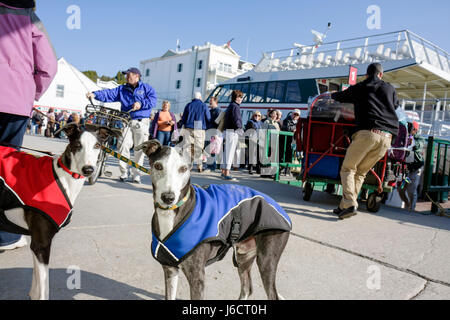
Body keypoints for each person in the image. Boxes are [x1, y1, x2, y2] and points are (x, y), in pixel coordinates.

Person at [0, 0, 58, 251]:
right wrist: (31, 90)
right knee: (7, 172)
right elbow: (48, 65)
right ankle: (5, 236)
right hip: (14, 103)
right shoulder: (31, 19)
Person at [331, 63, 399, 220]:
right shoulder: (390, 88)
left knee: (348, 168)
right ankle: (344, 206)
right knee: (360, 172)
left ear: (367, 75)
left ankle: (349, 203)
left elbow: (341, 97)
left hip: (368, 133)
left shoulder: (361, 86)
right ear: (381, 74)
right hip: (387, 138)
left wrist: (333, 94)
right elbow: (395, 105)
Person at [87, 67, 157, 184]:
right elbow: (109, 94)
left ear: (136, 76)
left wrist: (141, 104)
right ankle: (124, 172)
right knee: (122, 145)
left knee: (140, 149)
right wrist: (94, 94)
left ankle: (136, 174)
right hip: (126, 120)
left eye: (128, 75)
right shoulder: (122, 89)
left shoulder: (147, 88)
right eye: (126, 75)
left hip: (141, 121)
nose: (126, 77)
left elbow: (153, 101)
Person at [180, 92, 211, 172]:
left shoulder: (188, 105)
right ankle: (199, 166)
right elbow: (208, 117)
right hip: (199, 129)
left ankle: (188, 165)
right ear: (200, 97)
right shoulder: (204, 105)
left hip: (188, 128)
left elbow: (183, 118)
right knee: (199, 148)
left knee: (188, 148)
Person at [398, 121, 425, 211]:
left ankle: (411, 208)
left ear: (416, 130)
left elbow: (418, 146)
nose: (410, 130)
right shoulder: (405, 136)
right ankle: (407, 203)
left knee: (411, 190)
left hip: (415, 168)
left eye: (412, 129)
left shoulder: (419, 139)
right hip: (406, 170)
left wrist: (412, 141)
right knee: (400, 189)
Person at [221, 90, 244, 181]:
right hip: (232, 132)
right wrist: (240, 128)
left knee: (226, 152)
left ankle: (223, 171)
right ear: (237, 97)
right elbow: (237, 119)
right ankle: (227, 172)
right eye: (241, 97)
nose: (241, 99)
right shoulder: (235, 106)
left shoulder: (230, 106)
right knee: (230, 153)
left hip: (227, 131)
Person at [281, 109, 301, 175]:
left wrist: (295, 129)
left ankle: (291, 170)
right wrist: (295, 129)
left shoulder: (299, 122)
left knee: (294, 156)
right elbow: (287, 128)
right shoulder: (287, 120)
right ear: (292, 114)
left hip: (295, 141)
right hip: (287, 141)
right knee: (286, 155)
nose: (295, 116)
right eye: (294, 114)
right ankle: (284, 170)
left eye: (297, 115)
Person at [206, 97, 221, 171]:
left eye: (211, 101)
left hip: (213, 132)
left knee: (212, 150)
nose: (209, 102)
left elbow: (219, 123)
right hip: (208, 131)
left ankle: (211, 166)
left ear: (215, 102)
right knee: (209, 149)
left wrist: (216, 133)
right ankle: (210, 165)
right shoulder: (210, 110)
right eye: (209, 101)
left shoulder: (218, 111)